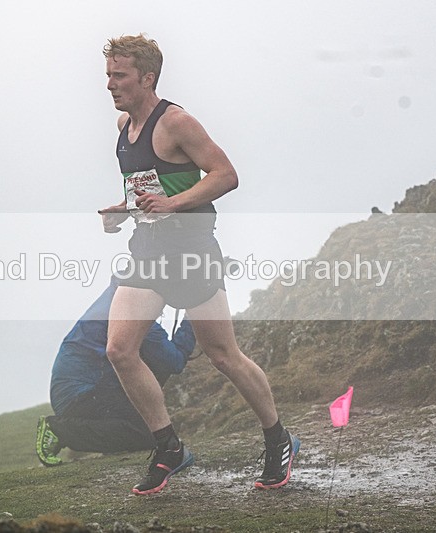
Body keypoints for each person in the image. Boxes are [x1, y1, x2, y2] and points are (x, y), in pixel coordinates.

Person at [98, 34, 301, 495]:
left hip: (191, 251)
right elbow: (145, 192)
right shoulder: (122, 127)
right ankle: (168, 446)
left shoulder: (176, 122)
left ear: (147, 77)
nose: (110, 84)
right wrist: (122, 211)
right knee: (119, 350)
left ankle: (277, 438)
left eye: (119, 75)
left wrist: (174, 204)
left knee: (223, 356)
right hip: (147, 250)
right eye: (109, 75)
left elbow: (225, 175)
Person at [35, 275, 196, 467]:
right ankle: (60, 430)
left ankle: (102, 436)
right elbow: (173, 361)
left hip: (77, 390)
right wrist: (194, 318)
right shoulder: (133, 309)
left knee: (149, 425)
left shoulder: (119, 296)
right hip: (82, 394)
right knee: (150, 433)